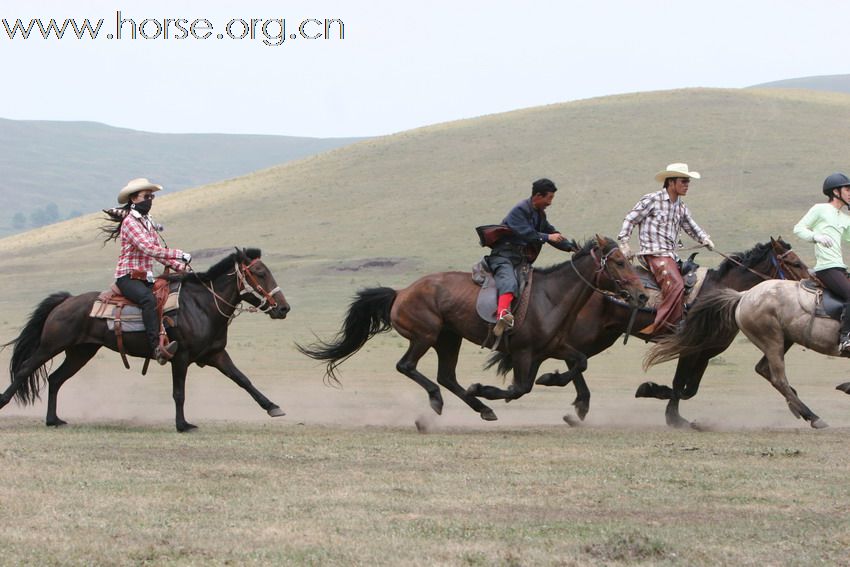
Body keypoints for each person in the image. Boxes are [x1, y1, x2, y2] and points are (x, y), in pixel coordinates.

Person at [618, 163, 715, 335]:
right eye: (683, 181)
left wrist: (704, 239)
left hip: (670, 255)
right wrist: (624, 242)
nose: (687, 185)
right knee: (676, 284)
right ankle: (664, 326)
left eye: (688, 181)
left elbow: (691, 226)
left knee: (689, 280)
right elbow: (631, 218)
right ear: (671, 182)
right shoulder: (652, 200)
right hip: (653, 254)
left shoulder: (681, 207)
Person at [102, 178, 191, 364]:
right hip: (127, 277)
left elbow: (158, 254)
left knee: (168, 295)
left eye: (152, 196)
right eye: (146, 196)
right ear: (134, 199)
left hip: (145, 278)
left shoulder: (147, 222)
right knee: (147, 300)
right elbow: (148, 248)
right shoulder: (130, 223)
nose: (150, 200)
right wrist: (179, 254)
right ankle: (156, 348)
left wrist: (181, 268)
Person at [487, 178, 575, 335]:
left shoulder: (540, 215)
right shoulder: (519, 211)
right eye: (549, 198)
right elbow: (527, 233)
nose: (550, 203)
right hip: (504, 257)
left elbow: (552, 233)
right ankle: (502, 314)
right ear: (538, 196)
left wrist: (572, 248)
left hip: (522, 260)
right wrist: (548, 238)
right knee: (509, 281)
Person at [793, 172, 850, 352]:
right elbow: (798, 228)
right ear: (836, 191)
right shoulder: (820, 209)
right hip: (827, 267)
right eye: (848, 189)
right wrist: (816, 236)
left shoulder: (845, 218)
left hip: (840, 267)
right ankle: (845, 337)